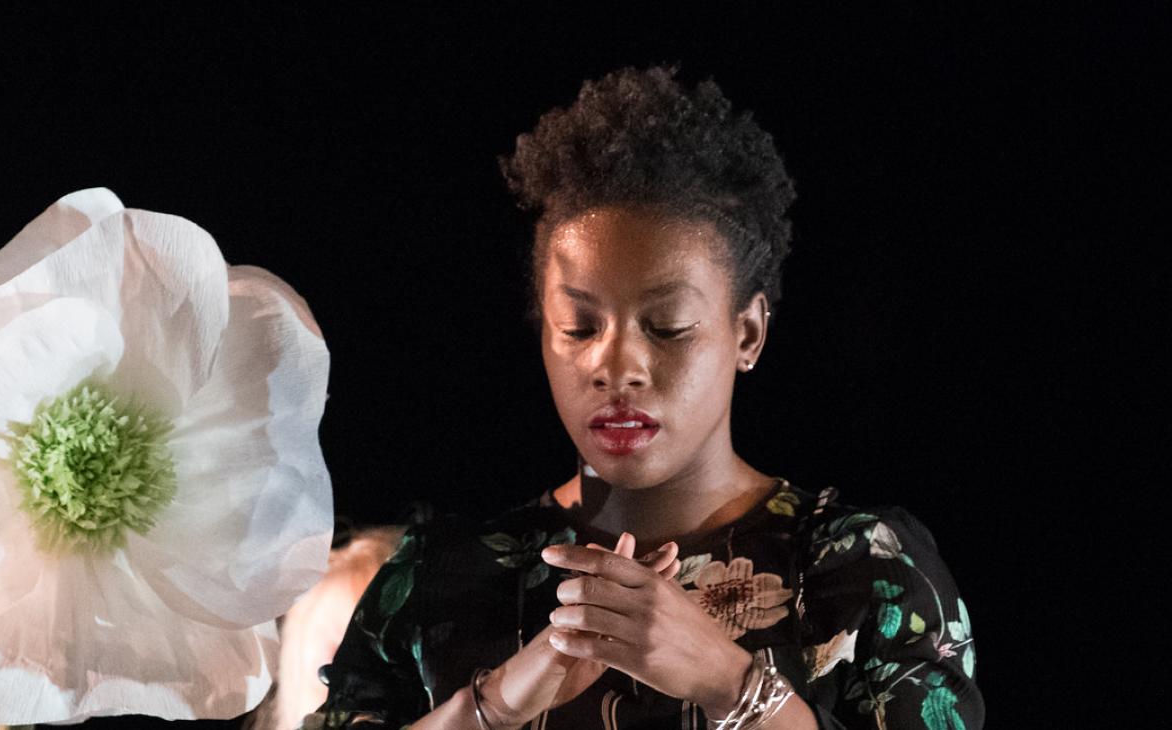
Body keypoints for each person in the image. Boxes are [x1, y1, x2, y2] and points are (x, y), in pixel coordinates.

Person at [307, 66, 982, 729]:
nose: (616, 365)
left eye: (667, 328)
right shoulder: (441, 584)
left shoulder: (862, 573)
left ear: (746, 333)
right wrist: (497, 705)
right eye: (579, 328)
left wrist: (732, 686)